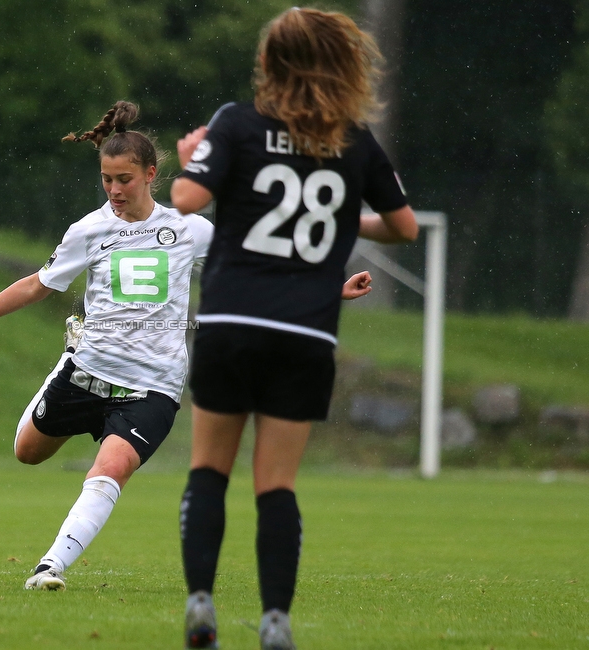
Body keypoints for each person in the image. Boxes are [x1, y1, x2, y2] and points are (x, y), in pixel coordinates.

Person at [169, 8, 418, 650]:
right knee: (276, 484)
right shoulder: (353, 141)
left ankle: (201, 604)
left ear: (269, 63)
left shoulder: (238, 124)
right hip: (306, 334)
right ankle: (275, 620)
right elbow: (403, 227)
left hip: (231, 321)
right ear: (341, 64)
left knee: (209, 471)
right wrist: (344, 220)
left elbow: (188, 200)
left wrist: (192, 159)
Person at [0, 101, 215, 591]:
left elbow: (253, 269)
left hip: (153, 386)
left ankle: (49, 567)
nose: (115, 190)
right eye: (106, 179)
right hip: (88, 371)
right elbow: (38, 284)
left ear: (150, 173)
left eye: (124, 179)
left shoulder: (189, 229)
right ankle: (67, 377)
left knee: (111, 468)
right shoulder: (90, 229)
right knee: (28, 453)